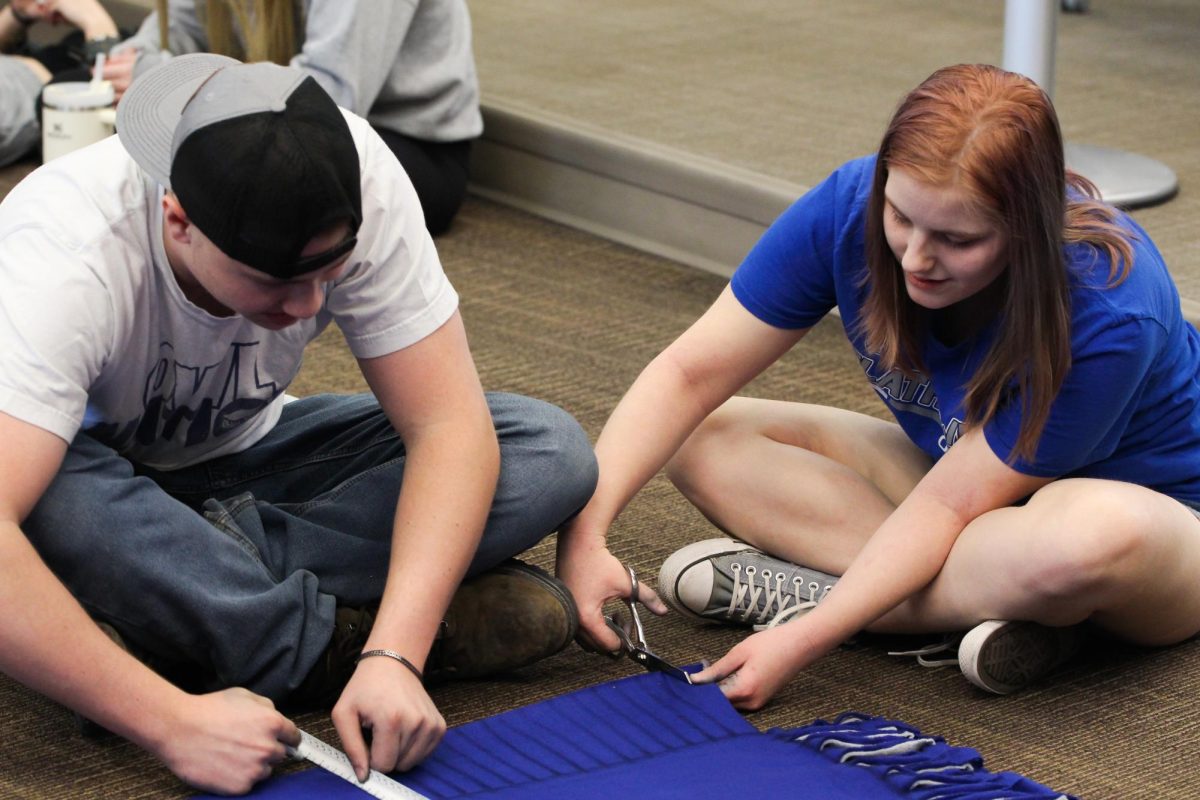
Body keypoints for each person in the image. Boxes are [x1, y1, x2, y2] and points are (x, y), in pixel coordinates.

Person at [0, 52, 596, 794]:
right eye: (278, 281)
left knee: (547, 450)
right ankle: (303, 645)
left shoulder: (356, 173)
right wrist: (167, 721)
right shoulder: (64, 254)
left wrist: (396, 657)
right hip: (94, 485)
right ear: (178, 221)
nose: (311, 308)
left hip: (252, 458)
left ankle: (183, 609)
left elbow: (447, 427)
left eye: (330, 272)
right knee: (47, 507)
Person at [557, 63, 1200, 710]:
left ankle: (848, 596)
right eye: (900, 216)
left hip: (1157, 528)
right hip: (962, 482)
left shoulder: (1112, 309)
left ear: (1026, 230)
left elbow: (951, 505)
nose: (916, 257)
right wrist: (585, 536)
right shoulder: (850, 205)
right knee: (701, 436)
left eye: (957, 238)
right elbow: (687, 374)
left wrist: (813, 633)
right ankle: (1006, 612)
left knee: (1084, 541)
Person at [103, 0, 481, 235]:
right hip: (281, 114)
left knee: (215, 184)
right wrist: (135, 64)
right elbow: (179, 30)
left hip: (402, 144)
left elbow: (332, 98)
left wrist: (163, 81)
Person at [0, 0, 120, 166]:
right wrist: (94, 19)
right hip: (57, 84)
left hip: (60, 81)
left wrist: (17, 14)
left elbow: (109, 88)